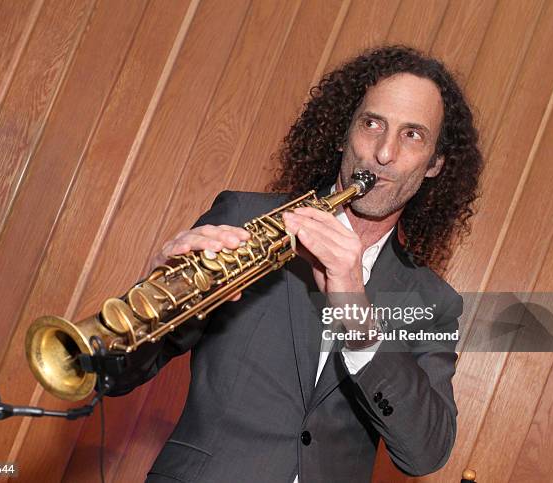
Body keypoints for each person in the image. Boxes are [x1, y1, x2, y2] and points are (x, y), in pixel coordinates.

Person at [107, 45, 483, 483]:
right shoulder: (244, 221)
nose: (383, 153)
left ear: (435, 163)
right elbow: (116, 374)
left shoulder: (434, 302)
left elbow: (425, 453)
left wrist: (357, 314)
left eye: (412, 135)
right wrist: (151, 298)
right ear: (344, 132)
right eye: (372, 124)